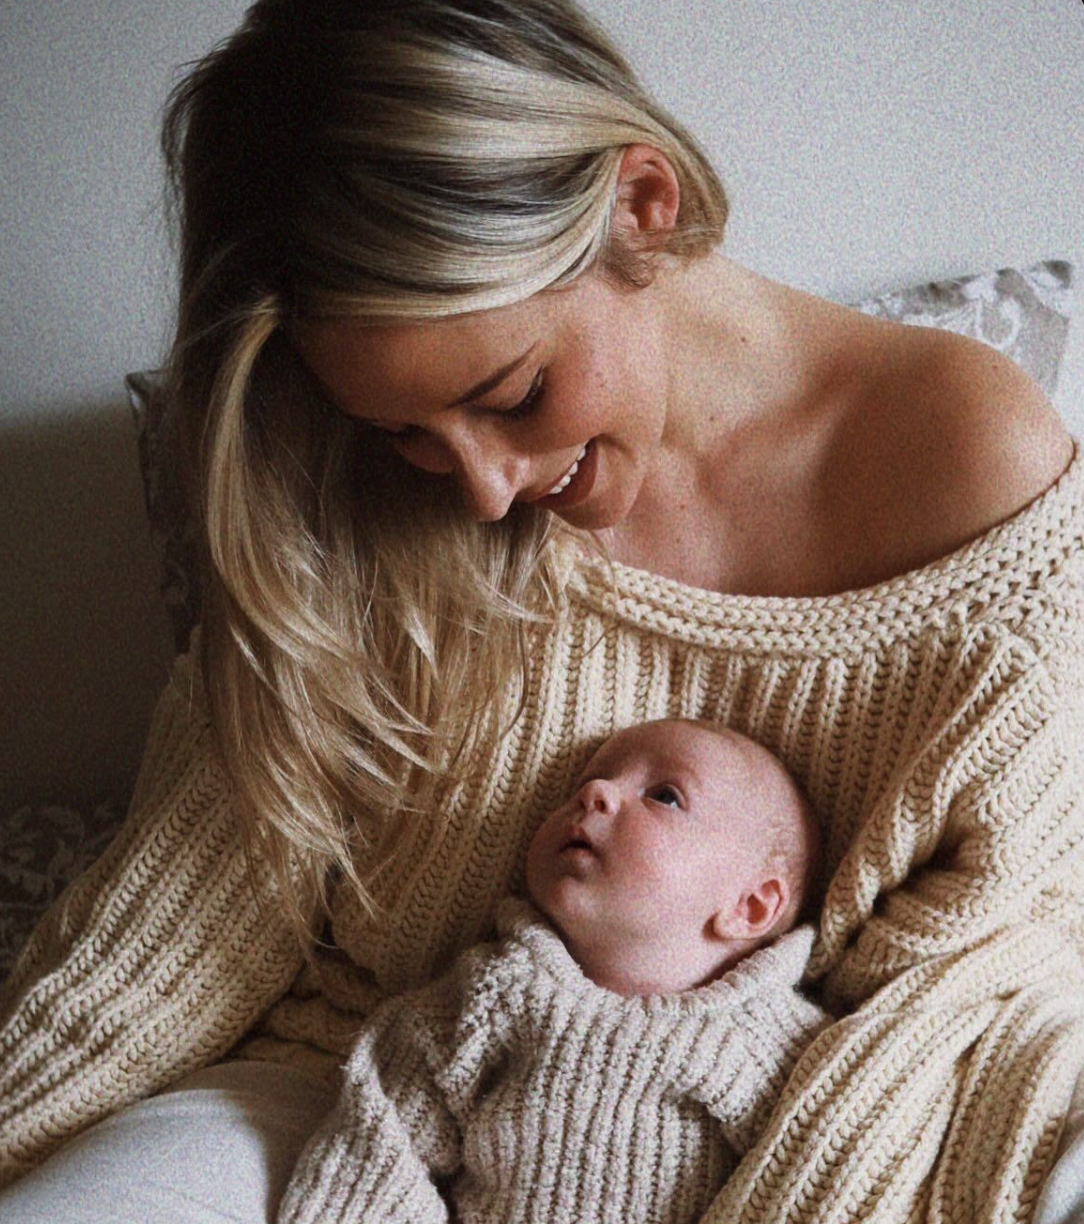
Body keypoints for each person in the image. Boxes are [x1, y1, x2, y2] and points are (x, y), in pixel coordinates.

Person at [1, 0, 1083, 1221]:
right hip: (359, 1086)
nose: (481, 487)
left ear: (642, 203)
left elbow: (994, 953)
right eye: (403, 432)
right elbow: (194, 913)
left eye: (511, 392)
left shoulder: (964, 453)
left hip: (804, 1102)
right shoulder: (336, 474)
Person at [278, 718, 830, 1224]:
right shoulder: (492, 994)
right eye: (586, 784)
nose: (597, 794)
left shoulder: (771, 1046)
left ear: (751, 907)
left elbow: (815, 1182)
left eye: (664, 796)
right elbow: (381, 1141)